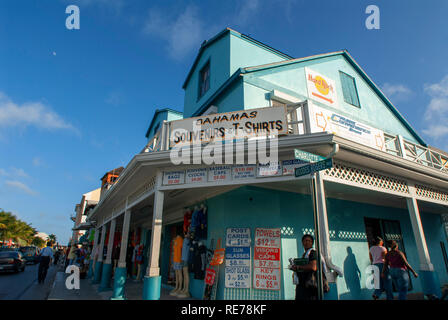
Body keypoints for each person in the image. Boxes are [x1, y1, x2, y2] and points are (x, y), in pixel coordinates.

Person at [290, 234, 318, 300]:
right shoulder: (305, 254)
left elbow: (313, 267)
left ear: (312, 243)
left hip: (309, 288)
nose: (307, 242)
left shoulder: (312, 253)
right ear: (302, 243)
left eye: (309, 241)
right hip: (303, 286)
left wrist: (298, 267)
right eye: (305, 241)